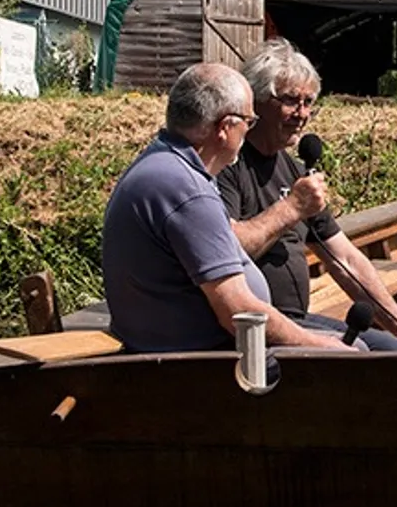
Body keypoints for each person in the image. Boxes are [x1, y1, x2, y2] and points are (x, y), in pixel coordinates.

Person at [101, 62, 358, 355]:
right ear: (225, 128)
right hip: (201, 361)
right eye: (249, 122)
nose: (249, 131)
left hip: (182, 350)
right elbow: (239, 312)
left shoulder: (163, 163)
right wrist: (322, 344)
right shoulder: (187, 190)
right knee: (355, 354)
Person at [218, 39, 397, 351]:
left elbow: (347, 260)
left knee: (392, 348)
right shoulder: (229, 165)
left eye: (308, 102)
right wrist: (291, 208)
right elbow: (224, 252)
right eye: (290, 101)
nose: (302, 114)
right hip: (250, 325)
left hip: (297, 318)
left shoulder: (295, 171)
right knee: (359, 352)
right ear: (256, 101)